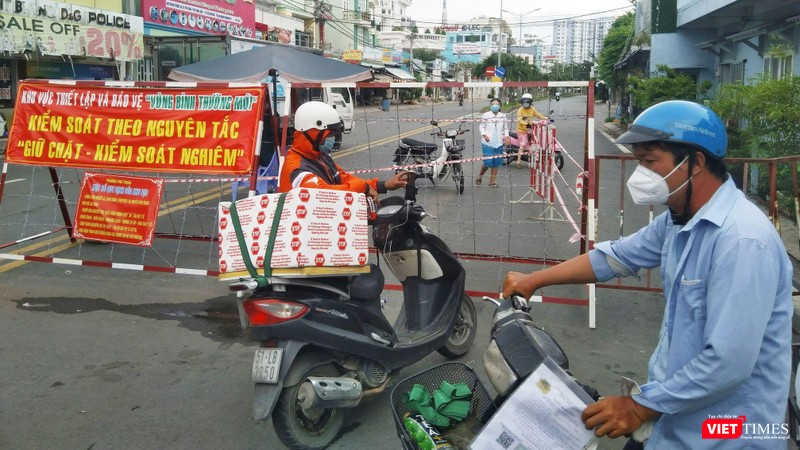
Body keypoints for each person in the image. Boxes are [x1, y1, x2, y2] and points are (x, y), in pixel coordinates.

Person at [502, 100, 792, 449]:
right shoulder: (679, 218)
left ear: (696, 162)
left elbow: (728, 363)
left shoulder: (742, 241)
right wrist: (535, 280)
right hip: (671, 413)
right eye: (640, 162)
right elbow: (615, 257)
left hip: (727, 432)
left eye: (651, 162)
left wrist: (639, 406)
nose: (643, 174)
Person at [278, 101, 408, 201]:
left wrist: (383, 185)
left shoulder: (320, 157)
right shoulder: (296, 167)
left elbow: (344, 179)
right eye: (328, 135)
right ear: (313, 133)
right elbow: (322, 193)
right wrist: (363, 188)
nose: (331, 139)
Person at [477, 98, 509, 188]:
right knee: (488, 162)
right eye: (493, 104)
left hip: (498, 143)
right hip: (487, 142)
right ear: (490, 106)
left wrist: (507, 136)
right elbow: (481, 127)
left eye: (496, 104)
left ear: (499, 106)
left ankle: (492, 182)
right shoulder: (486, 115)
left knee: (496, 163)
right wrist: (484, 135)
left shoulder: (502, 116)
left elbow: (505, 128)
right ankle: (480, 175)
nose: (495, 106)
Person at [513, 93, 547, 169]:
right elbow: (519, 120)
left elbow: (538, 115)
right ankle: (518, 161)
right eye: (524, 102)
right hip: (521, 131)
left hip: (531, 130)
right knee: (523, 143)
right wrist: (527, 125)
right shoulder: (520, 110)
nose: (525, 104)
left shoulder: (532, 109)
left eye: (527, 102)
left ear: (530, 102)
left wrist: (545, 118)